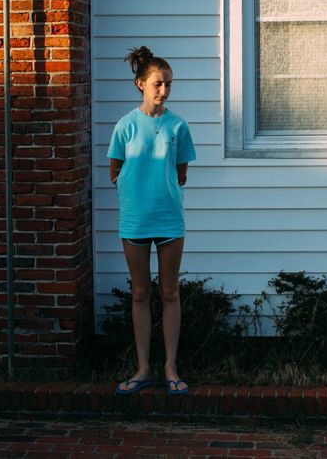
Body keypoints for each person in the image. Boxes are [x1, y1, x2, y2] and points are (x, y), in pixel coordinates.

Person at [108, 47, 197, 395]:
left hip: (169, 218)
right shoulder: (125, 125)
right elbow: (115, 171)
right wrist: (136, 189)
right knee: (140, 292)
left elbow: (181, 173)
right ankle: (143, 368)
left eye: (168, 84)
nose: (164, 90)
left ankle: (170, 368)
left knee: (170, 292)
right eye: (158, 83)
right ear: (140, 84)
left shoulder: (178, 126)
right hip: (135, 220)